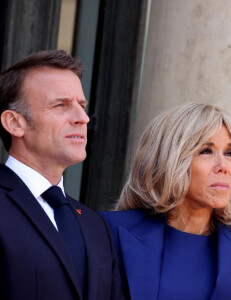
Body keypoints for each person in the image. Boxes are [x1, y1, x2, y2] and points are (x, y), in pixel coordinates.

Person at [100, 103, 231, 300]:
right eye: (206, 151)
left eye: (230, 154)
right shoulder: (107, 232)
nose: (223, 167)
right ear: (169, 159)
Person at [0, 50, 123, 300]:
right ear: (15, 122)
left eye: (82, 106)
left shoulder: (96, 225)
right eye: (61, 105)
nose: (82, 118)